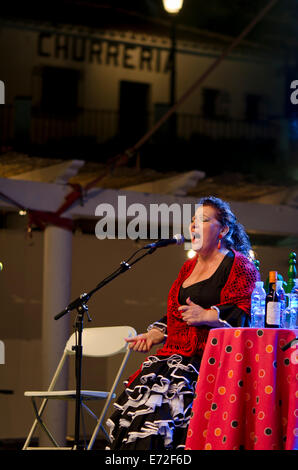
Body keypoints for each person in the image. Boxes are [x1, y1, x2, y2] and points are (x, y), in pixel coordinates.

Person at [106, 196, 260, 450]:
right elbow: (177, 313)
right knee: (145, 423)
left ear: (223, 229)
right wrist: (155, 333)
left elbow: (245, 311)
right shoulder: (188, 267)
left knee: (176, 428)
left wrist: (208, 315)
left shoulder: (239, 265)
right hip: (175, 357)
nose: (194, 226)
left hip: (210, 361)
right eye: (192, 221)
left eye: (203, 220)